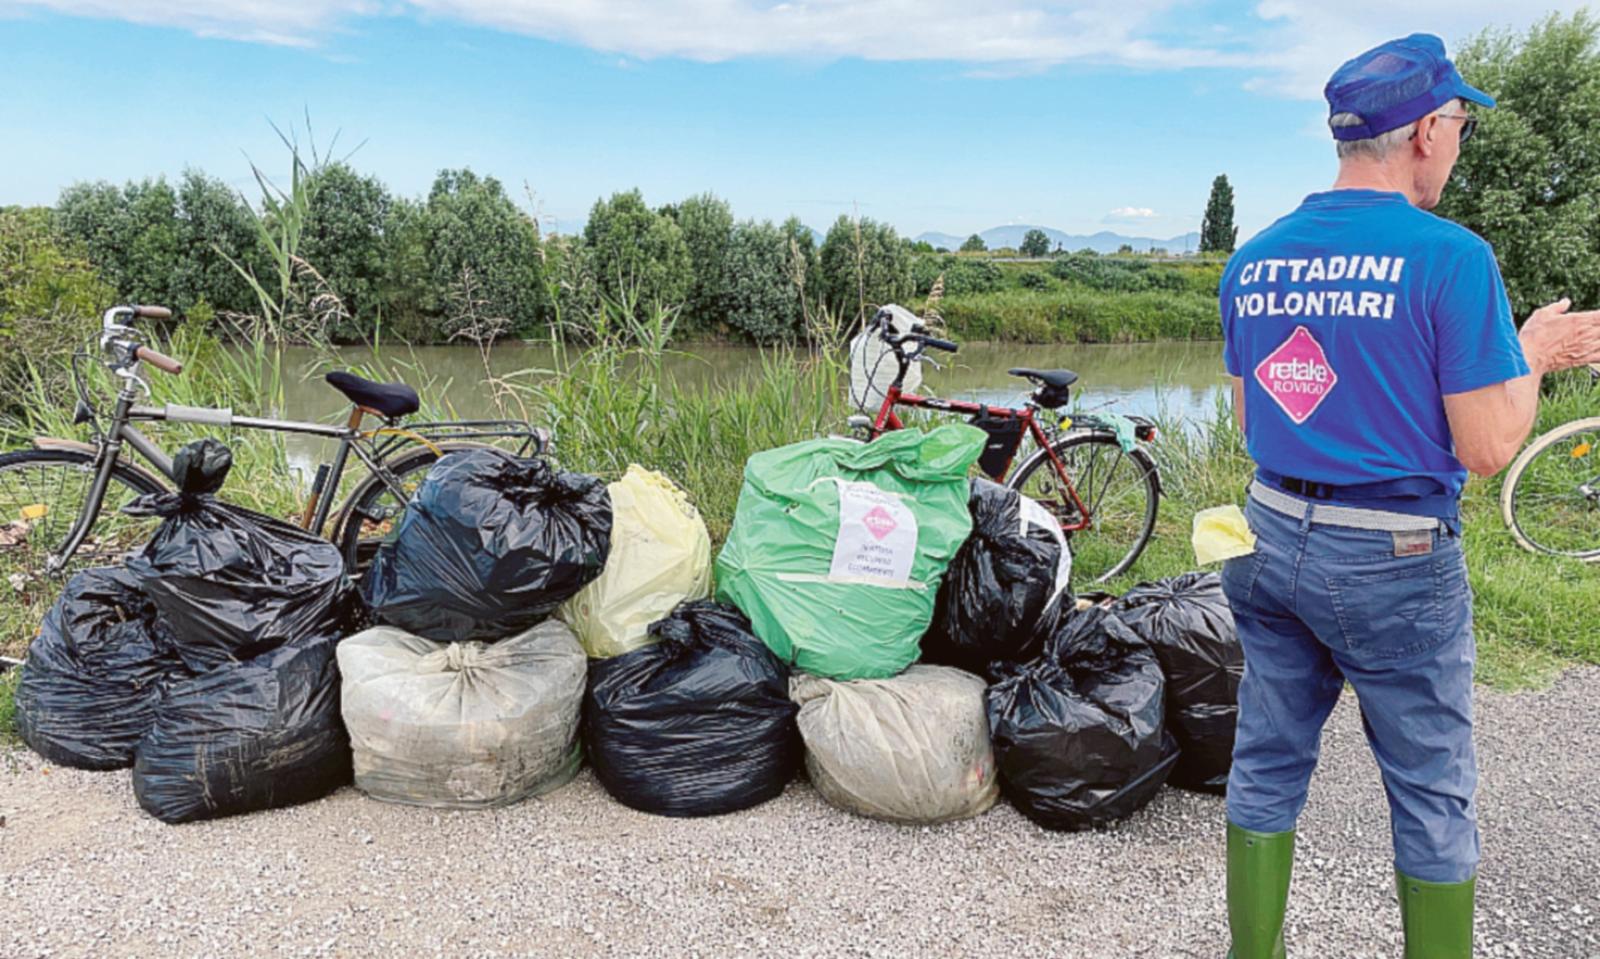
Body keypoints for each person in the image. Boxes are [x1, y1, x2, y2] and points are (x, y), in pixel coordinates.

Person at [1216, 33, 1600, 959]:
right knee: (1431, 789)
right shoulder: (1451, 258)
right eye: (1460, 122)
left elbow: (1250, 416)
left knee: (1266, 760)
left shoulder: (1254, 258)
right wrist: (1532, 353)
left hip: (1267, 532)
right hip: (1393, 552)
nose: (1459, 143)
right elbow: (1487, 447)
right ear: (1427, 130)